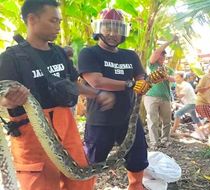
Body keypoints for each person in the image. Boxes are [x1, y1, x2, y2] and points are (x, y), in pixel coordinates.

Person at [0, 0, 115, 189]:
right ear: (32, 19)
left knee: (81, 182)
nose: (58, 27)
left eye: (60, 21)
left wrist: (97, 93)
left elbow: (71, 85)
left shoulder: (59, 53)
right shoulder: (10, 59)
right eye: (53, 21)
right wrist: (10, 101)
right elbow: (3, 98)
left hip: (66, 128)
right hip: (31, 135)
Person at [77, 8, 154, 190]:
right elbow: (96, 81)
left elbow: (140, 77)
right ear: (99, 29)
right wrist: (129, 84)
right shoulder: (89, 53)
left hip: (129, 120)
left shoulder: (130, 55)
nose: (112, 33)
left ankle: (135, 187)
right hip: (100, 121)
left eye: (117, 29)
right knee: (92, 163)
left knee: (137, 159)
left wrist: (142, 84)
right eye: (108, 28)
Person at [144, 35, 178, 149]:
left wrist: (166, 76)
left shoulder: (168, 69)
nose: (162, 56)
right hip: (151, 96)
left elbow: (176, 79)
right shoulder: (152, 65)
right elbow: (156, 52)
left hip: (165, 97)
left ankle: (165, 139)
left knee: (167, 121)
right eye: (160, 54)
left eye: (163, 55)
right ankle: (154, 143)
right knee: (153, 120)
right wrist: (171, 40)